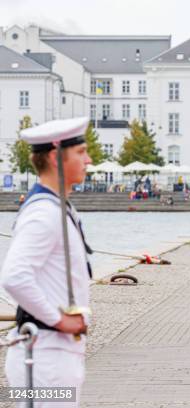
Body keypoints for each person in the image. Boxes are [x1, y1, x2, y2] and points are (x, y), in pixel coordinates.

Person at [1, 117, 93, 407]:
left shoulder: (56, 207)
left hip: (53, 354)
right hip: (46, 357)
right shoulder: (44, 213)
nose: (88, 160)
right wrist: (59, 321)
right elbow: (14, 277)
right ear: (55, 158)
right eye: (81, 152)